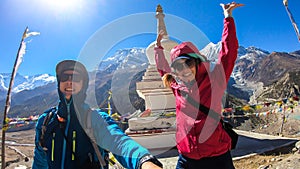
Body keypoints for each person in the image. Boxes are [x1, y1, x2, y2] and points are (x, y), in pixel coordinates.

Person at [154, 2, 243, 169]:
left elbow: (228, 53)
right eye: (178, 67)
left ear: (197, 62)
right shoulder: (178, 88)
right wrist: (158, 49)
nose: (184, 70)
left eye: (188, 63)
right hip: (187, 157)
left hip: (217, 156)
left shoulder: (215, 80)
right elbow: (163, 72)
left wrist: (228, 18)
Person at [32, 60, 163, 169]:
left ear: (83, 85)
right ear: (58, 83)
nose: (69, 81)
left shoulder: (95, 119)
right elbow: (39, 161)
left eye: (76, 78)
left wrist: (144, 161)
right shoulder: (46, 122)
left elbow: (119, 142)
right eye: (65, 77)